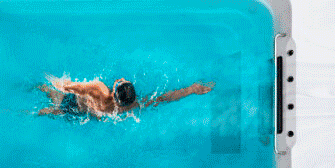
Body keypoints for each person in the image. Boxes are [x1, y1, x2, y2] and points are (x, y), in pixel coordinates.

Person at [36, 74, 215, 120]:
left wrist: (54, 80)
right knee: (51, 112)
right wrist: (192, 89)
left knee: (44, 89)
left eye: (119, 83)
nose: (120, 79)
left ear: (114, 91)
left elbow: (65, 86)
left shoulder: (98, 89)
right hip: (83, 116)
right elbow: (163, 98)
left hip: (71, 104)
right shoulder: (128, 107)